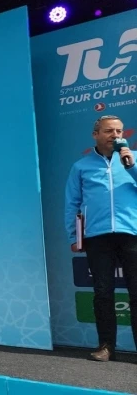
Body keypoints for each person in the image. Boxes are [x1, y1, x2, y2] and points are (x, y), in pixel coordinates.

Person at [65, 115, 137, 362]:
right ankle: (106, 346)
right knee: (103, 292)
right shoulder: (81, 167)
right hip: (97, 237)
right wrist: (74, 235)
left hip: (132, 234)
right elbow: (72, 203)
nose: (115, 135)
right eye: (109, 131)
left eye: (119, 131)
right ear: (95, 135)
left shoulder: (133, 159)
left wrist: (131, 166)